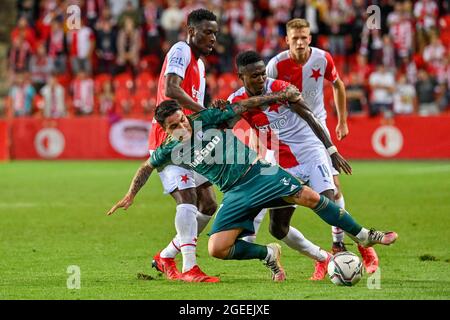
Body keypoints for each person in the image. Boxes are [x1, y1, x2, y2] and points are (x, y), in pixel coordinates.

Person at [106, 93, 398, 282]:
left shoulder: (205, 119)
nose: (183, 125)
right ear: (165, 130)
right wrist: (130, 194)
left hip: (259, 172)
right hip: (235, 193)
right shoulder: (168, 150)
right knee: (217, 248)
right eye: (174, 125)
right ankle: (268, 255)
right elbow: (145, 167)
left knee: (310, 197)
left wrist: (280, 95)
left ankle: (364, 235)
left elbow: (243, 106)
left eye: (182, 118)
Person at [265, 18, 379, 273]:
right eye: (295, 38)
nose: (300, 42)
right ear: (287, 40)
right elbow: (265, 99)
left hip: (316, 130)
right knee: (277, 217)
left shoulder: (323, 58)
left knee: (333, 188)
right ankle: (322, 257)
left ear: (310, 37)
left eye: (304, 37)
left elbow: (338, 84)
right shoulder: (276, 65)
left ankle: (340, 244)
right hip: (283, 137)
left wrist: (342, 120)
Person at [228, 50, 351, 280]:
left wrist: (331, 150)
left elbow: (310, 116)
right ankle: (324, 258)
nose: (260, 79)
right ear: (241, 76)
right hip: (280, 163)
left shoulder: (283, 88)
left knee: (327, 203)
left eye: (262, 74)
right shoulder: (237, 100)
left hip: (310, 153)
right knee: (277, 228)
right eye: (254, 76)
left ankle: (363, 243)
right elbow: (225, 119)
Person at [147, 9, 220, 283]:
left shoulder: (200, 65)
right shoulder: (181, 50)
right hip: (168, 139)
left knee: (209, 204)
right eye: (206, 32)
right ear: (191, 31)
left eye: (215, 33)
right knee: (187, 198)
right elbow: (171, 89)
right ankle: (190, 268)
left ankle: (166, 256)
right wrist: (206, 112)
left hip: (190, 142)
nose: (212, 38)